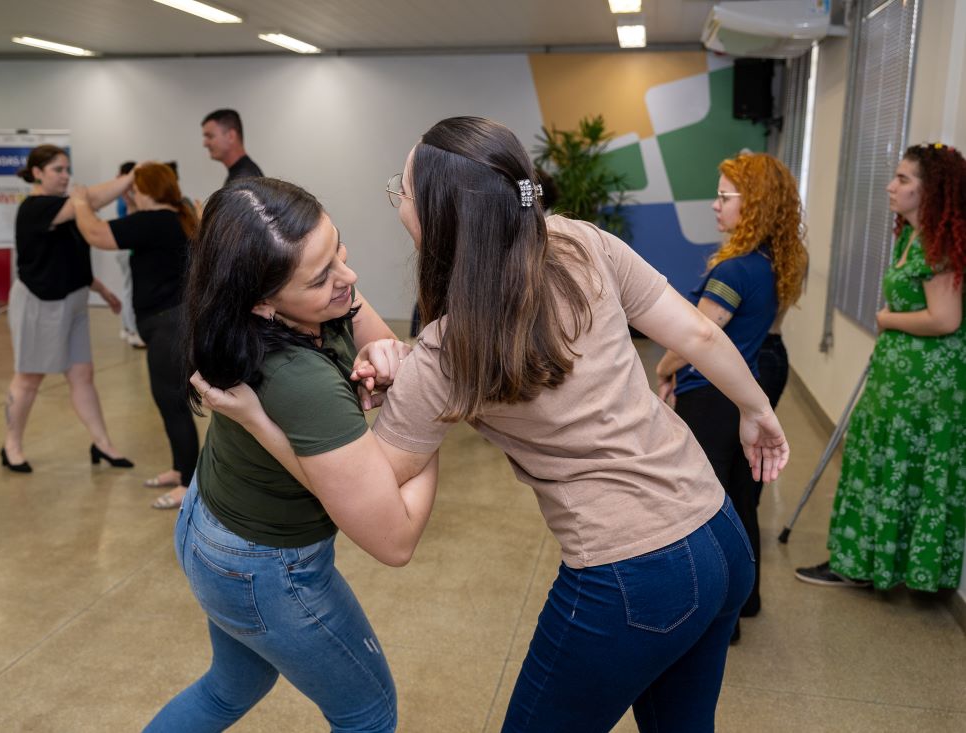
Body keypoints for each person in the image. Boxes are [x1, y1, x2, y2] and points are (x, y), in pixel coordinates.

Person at [197, 117, 789, 732]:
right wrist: (757, 410)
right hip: (718, 533)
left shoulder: (449, 351)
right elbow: (696, 332)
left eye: (400, 193)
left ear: (434, 222)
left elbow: (380, 511)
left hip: (632, 574)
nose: (397, 202)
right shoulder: (580, 241)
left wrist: (266, 422)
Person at [144, 178, 437, 732]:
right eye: (322, 277)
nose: (348, 278)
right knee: (369, 715)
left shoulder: (296, 304)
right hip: (264, 567)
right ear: (261, 301)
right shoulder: (301, 381)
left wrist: (388, 356)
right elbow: (393, 539)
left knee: (228, 690)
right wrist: (428, 422)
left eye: (339, 250)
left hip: (213, 528)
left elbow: (394, 353)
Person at [796, 142, 966, 591]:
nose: (891, 186)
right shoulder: (911, 235)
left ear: (933, 191)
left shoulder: (939, 242)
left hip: (927, 383)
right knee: (881, 464)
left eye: (904, 179)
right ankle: (866, 562)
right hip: (899, 379)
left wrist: (886, 319)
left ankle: (881, 567)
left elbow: (945, 319)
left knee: (901, 468)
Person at [654, 153, 808, 629]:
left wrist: (662, 369)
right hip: (739, 393)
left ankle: (717, 615)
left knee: (706, 502)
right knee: (741, 498)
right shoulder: (769, 263)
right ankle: (745, 599)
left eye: (724, 197)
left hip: (710, 395)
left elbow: (695, 337)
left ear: (754, 204)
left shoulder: (734, 271)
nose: (715, 206)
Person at [70, 162, 200, 510]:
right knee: (170, 404)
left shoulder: (154, 221)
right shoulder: (178, 216)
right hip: (171, 325)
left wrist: (81, 201)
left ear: (146, 191)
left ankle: (188, 484)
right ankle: (180, 469)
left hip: (167, 327)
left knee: (173, 405)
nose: (132, 195)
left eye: (134, 190)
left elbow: (95, 234)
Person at [1, 144, 134, 473]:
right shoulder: (35, 208)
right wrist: (132, 178)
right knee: (29, 379)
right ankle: (11, 445)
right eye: (57, 170)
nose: (65, 176)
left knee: (82, 375)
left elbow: (70, 258)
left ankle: (103, 443)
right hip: (40, 302)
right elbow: (92, 200)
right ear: (37, 173)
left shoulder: (67, 208)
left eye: (66, 169)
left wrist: (103, 291)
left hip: (73, 300)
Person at [114, 160, 146, 349]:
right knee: (130, 289)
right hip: (128, 248)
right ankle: (132, 330)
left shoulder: (122, 195)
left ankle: (128, 328)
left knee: (128, 288)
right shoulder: (127, 197)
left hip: (125, 247)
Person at [201, 108, 263, 187]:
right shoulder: (243, 175)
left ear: (231, 136)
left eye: (210, 136)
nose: (205, 143)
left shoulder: (243, 181)